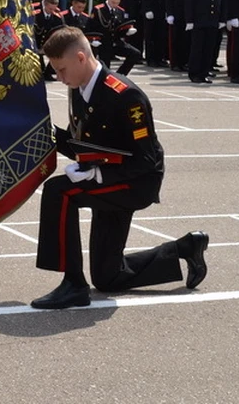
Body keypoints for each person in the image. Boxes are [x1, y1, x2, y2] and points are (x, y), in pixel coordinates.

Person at [30, 26, 208, 309]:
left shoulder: (125, 96)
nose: (59, 78)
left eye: (62, 70)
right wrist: (43, 132)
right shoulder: (80, 88)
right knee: (108, 277)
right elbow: (83, 143)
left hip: (136, 182)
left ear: (80, 58)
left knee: (58, 191)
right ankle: (184, 249)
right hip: (111, 179)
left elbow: (145, 160)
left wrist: (98, 173)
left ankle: (73, 283)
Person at [184, 0, 227, 84]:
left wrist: (222, 19)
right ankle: (194, 73)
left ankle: (204, 72)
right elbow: (189, 2)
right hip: (199, 21)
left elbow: (223, 2)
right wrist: (189, 20)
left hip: (213, 21)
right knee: (197, 48)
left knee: (209, 49)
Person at [85, 0, 140, 76]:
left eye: (117, 3)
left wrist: (127, 31)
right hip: (103, 43)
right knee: (105, 70)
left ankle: (120, 75)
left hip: (115, 42)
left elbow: (120, 29)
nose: (114, 5)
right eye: (113, 2)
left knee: (135, 54)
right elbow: (90, 27)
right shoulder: (98, 10)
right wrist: (93, 39)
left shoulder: (120, 11)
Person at [34, 0, 65, 80]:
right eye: (50, 9)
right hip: (35, 43)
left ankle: (48, 72)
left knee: (59, 52)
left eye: (54, 9)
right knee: (37, 71)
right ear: (45, 5)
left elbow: (60, 32)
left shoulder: (57, 18)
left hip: (48, 44)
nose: (52, 11)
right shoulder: (35, 15)